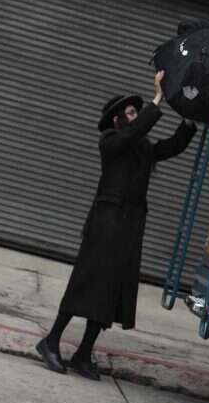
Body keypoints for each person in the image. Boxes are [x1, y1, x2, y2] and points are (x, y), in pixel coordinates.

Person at [36, 71, 196, 380]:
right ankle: (51, 340)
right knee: (85, 283)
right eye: (131, 113)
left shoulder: (142, 148)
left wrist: (189, 119)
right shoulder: (110, 141)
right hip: (105, 224)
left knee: (110, 291)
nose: (135, 117)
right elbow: (132, 134)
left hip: (130, 227)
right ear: (116, 120)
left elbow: (173, 146)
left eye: (137, 112)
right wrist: (157, 99)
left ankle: (83, 354)